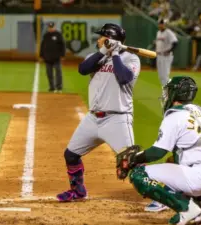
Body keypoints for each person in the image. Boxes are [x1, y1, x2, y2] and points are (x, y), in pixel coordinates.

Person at [116, 76, 201, 225]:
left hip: (199, 178)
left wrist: (133, 159)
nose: (166, 95)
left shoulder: (175, 116)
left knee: (138, 175)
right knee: (173, 161)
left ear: (175, 93)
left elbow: (156, 152)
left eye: (169, 91)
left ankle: (187, 209)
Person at [56, 23, 141, 202]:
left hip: (117, 119)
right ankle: (78, 190)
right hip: (93, 118)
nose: (98, 39)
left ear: (109, 38)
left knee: (131, 161)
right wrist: (105, 51)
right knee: (71, 155)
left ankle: (161, 197)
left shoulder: (131, 59)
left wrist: (116, 53)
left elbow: (124, 78)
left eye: (101, 37)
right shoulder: (96, 57)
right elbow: (83, 69)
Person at [40, 22, 65, 93]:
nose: (50, 28)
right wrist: (41, 55)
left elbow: (62, 45)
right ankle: (52, 87)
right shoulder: (46, 35)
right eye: (49, 27)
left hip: (56, 58)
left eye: (52, 27)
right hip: (47, 58)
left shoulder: (58, 34)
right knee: (49, 74)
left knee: (58, 73)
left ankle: (59, 88)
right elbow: (42, 45)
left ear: (54, 27)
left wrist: (62, 55)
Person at [154, 19, 178, 86]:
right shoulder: (158, 32)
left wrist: (169, 51)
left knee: (165, 76)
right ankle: (165, 93)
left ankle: (171, 90)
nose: (161, 25)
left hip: (166, 56)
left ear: (165, 25)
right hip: (159, 55)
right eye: (160, 23)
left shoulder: (169, 32)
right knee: (161, 76)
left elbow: (175, 43)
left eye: (162, 24)